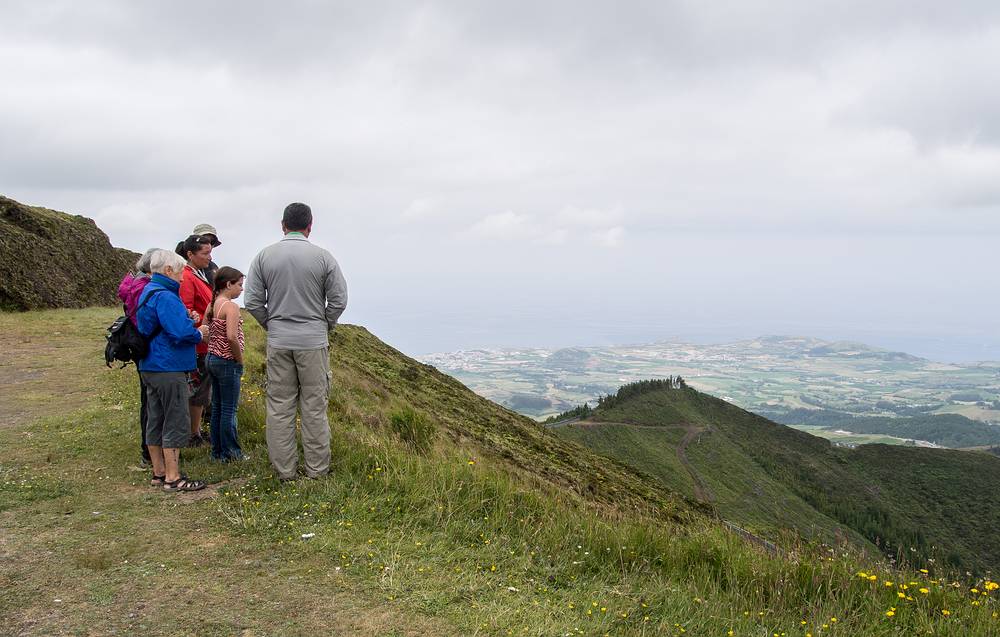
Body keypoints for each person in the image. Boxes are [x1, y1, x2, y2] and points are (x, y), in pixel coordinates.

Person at [245, 202, 348, 481]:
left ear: (283, 225)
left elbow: (252, 300)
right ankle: (317, 471)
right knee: (314, 407)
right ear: (310, 226)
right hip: (313, 341)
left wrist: (271, 324)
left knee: (279, 406)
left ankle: (285, 472)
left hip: (279, 339)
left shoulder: (264, 256)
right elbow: (339, 299)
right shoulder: (323, 257)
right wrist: (324, 323)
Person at [136, 249, 209, 492]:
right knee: (176, 419)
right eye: (179, 272)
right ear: (168, 270)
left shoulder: (148, 291)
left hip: (150, 364)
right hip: (169, 365)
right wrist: (199, 332)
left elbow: (159, 324)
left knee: (155, 419)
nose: (181, 277)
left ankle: (159, 473)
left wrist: (185, 317)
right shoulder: (166, 296)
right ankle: (173, 477)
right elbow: (179, 334)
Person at [117, 248, 158, 467]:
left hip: (138, 345)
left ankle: (149, 450)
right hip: (148, 346)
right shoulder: (145, 288)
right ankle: (150, 452)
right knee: (151, 401)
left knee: (148, 400)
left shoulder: (134, 283)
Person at [176, 234, 214, 447]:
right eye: (205, 253)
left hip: (204, 341)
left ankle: (196, 430)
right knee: (198, 390)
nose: (209, 257)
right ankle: (193, 433)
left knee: (202, 389)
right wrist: (197, 323)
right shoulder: (189, 277)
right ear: (190, 254)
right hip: (199, 343)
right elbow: (186, 307)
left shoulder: (197, 274)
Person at [205, 266, 247, 462]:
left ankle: (217, 452)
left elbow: (204, 329)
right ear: (228, 284)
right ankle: (232, 452)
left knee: (217, 407)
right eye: (239, 285)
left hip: (212, 358)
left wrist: (212, 344)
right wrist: (239, 359)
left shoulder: (212, 303)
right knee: (229, 409)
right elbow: (231, 337)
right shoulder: (231, 307)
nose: (241, 289)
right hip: (227, 361)